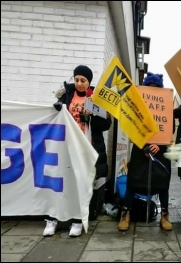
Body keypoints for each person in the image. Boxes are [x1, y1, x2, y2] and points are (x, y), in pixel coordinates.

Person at [44, 65, 112, 237]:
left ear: (89, 82)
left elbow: (106, 124)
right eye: (77, 80)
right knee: (59, 182)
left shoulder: (95, 99)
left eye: (83, 80)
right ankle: (52, 218)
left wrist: (91, 118)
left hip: (85, 147)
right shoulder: (66, 95)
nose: (79, 84)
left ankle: (77, 220)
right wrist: (57, 108)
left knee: (79, 184)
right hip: (64, 146)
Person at [117, 72, 173, 231]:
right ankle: (125, 213)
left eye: (156, 88)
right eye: (150, 87)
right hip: (140, 149)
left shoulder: (166, 105)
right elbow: (133, 127)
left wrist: (159, 145)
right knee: (133, 181)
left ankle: (165, 215)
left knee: (162, 182)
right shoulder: (137, 106)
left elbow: (169, 128)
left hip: (161, 151)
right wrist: (144, 146)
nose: (153, 90)